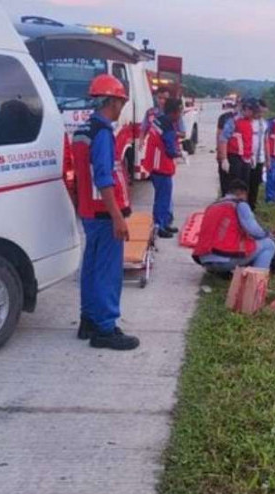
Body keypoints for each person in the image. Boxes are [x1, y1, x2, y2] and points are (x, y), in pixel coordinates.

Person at [72, 74, 139, 350]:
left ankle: (88, 320)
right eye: (121, 101)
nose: (122, 106)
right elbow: (104, 177)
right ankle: (105, 329)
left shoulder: (83, 130)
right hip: (103, 213)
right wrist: (117, 216)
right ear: (110, 101)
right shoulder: (102, 133)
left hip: (89, 211)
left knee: (91, 269)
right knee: (108, 274)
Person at [193, 179, 275, 273]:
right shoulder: (239, 205)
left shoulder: (212, 206)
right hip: (224, 259)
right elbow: (254, 231)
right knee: (269, 244)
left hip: (205, 260)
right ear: (242, 193)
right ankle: (257, 279)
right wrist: (267, 234)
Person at [148, 97, 182, 238]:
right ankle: (160, 226)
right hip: (161, 167)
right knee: (163, 198)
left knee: (161, 197)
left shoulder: (159, 120)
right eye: (180, 111)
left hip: (155, 165)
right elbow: (170, 149)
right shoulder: (167, 125)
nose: (180, 114)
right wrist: (179, 153)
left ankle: (163, 223)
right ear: (174, 112)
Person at [219, 98, 258, 190]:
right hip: (235, 158)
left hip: (246, 158)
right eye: (253, 112)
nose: (254, 115)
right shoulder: (233, 121)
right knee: (234, 185)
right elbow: (223, 139)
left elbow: (248, 140)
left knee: (244, 185)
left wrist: (251, 155)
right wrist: (224, 159)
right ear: (247, 109)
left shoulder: (249, 122)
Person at [249, 99, 269, 211]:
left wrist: (268, 158)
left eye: (263, 112)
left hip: (260, 158)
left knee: (255, 184)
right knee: (246, 183)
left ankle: (252, 206)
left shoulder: (264, 124)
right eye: (259, 111)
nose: (261, 114)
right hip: (248, 158)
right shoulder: (249, 122)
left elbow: (266, 141)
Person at [139, 86, 170, 150]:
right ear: (156, 98)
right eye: (160, 98)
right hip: (152, 147)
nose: (162, 101)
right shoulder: (150, 113)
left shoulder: (173, 114)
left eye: (165, 99)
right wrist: (141, 141)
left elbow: (182, 133)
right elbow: (143, 129)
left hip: (167, 148)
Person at [216, 103, 237, 196]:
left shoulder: (245, 120)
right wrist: (220, 153)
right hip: (226, 152)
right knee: (224, 179)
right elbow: (219, 136)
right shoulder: (225, 118)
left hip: (236, 155)